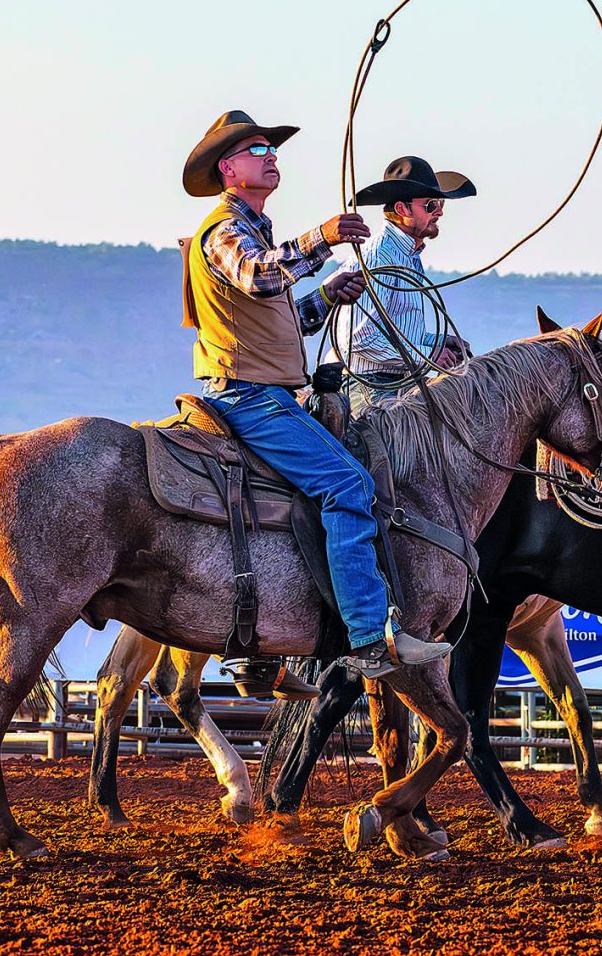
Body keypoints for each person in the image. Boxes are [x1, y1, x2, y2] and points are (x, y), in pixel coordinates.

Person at [181, 110, 453, 683]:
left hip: (264, 389)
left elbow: (284, 316)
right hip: (249, 395)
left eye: (271, 150)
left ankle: (270, 640)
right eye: (257, 151)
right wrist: (322, 239)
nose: (270, 157)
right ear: (228, 169)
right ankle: (367, 636)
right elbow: (258, 277)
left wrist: (327, 297)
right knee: (349, 484)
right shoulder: (224, 230)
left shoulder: (255, 229)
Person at [345, 156, 475, 414]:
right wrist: (428, 356)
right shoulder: (379, 256)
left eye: (439, 204)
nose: (439, 211)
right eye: (430, 205)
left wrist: (438, 341)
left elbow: (398, 333)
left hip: (399, 380)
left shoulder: (407, 256)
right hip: (369, 386)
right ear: (403, 210)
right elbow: (359, 338)